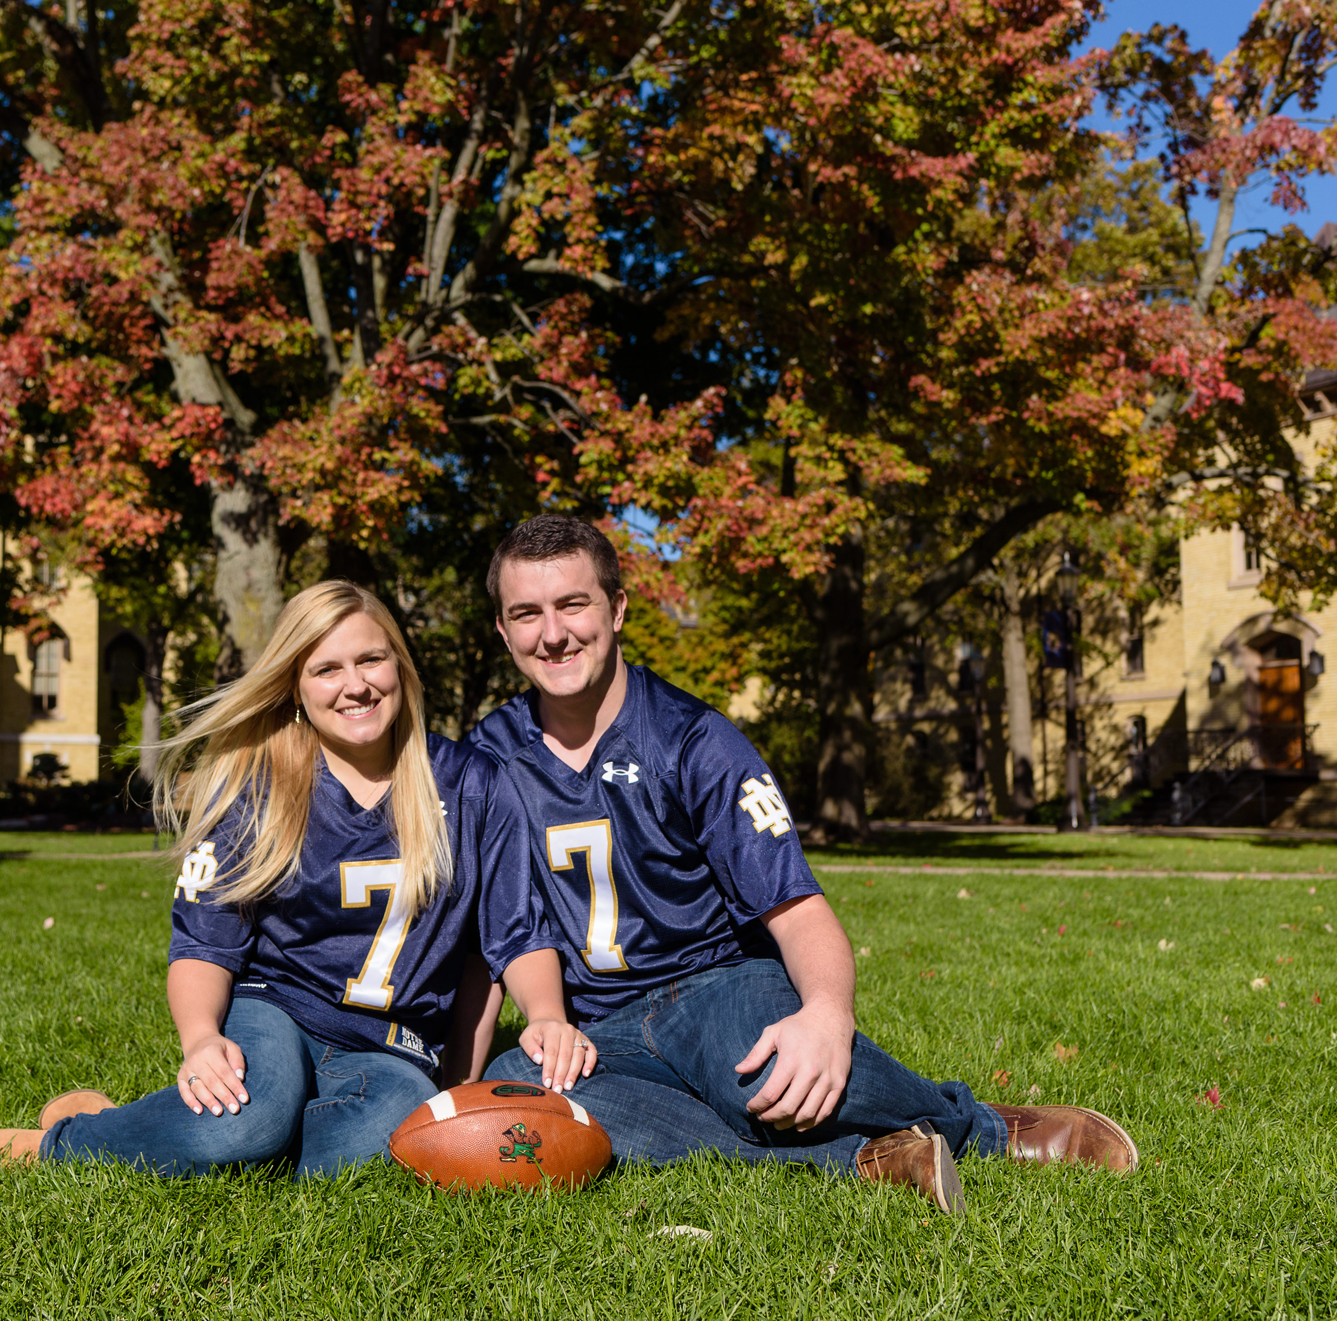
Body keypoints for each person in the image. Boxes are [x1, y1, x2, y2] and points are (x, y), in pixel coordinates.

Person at [471, 515, 1138, 1215]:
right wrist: (545, 1016)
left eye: (573, 604)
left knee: (754, 1075)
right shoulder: (490, 756)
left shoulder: (696, 740)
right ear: (504, 630)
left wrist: (826, 1012)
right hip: (604, 1029)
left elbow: (800, 911)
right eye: (527, 614)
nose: (553, 633)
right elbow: (519, 921)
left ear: (617, 608)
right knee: (518, 1088)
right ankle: (867, 1157)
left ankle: (980, 1123)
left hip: (718, 993)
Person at [0, 581, 558, 1180]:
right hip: (277, 1007)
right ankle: (42, 1146)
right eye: (326, 668)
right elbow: (203, 946)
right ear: (294, 686)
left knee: (376, 1148)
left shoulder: (472, 782)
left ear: (401, 666)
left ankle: (161, 1127)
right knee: (249, 1118)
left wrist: (543, 1019)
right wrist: (202, 1040)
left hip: (394, 1046)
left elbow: (510, 936)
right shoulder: (260, 786)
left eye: (370, 660)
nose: (354, 685)